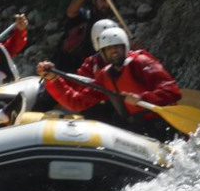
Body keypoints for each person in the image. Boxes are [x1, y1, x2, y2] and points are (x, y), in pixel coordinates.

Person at [37, 27, 182, 141]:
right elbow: (78, 102)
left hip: (159, 124)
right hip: (136, 127)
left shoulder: (142, 62)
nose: (113, 51)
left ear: (125, 47)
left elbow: (172, 91)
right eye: (108, 49)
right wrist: (54, 80)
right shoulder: (105, 75)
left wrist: (142, 98)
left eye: (117, 47)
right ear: (102, 53)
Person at [51, 0, 117, 72]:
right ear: (94, 0)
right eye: (103, 0)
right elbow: (71, 11)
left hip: (87, 74)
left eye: (110, 1)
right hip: (63, 70)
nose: (107, 5)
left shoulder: (112, 27)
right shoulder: (84, 15)